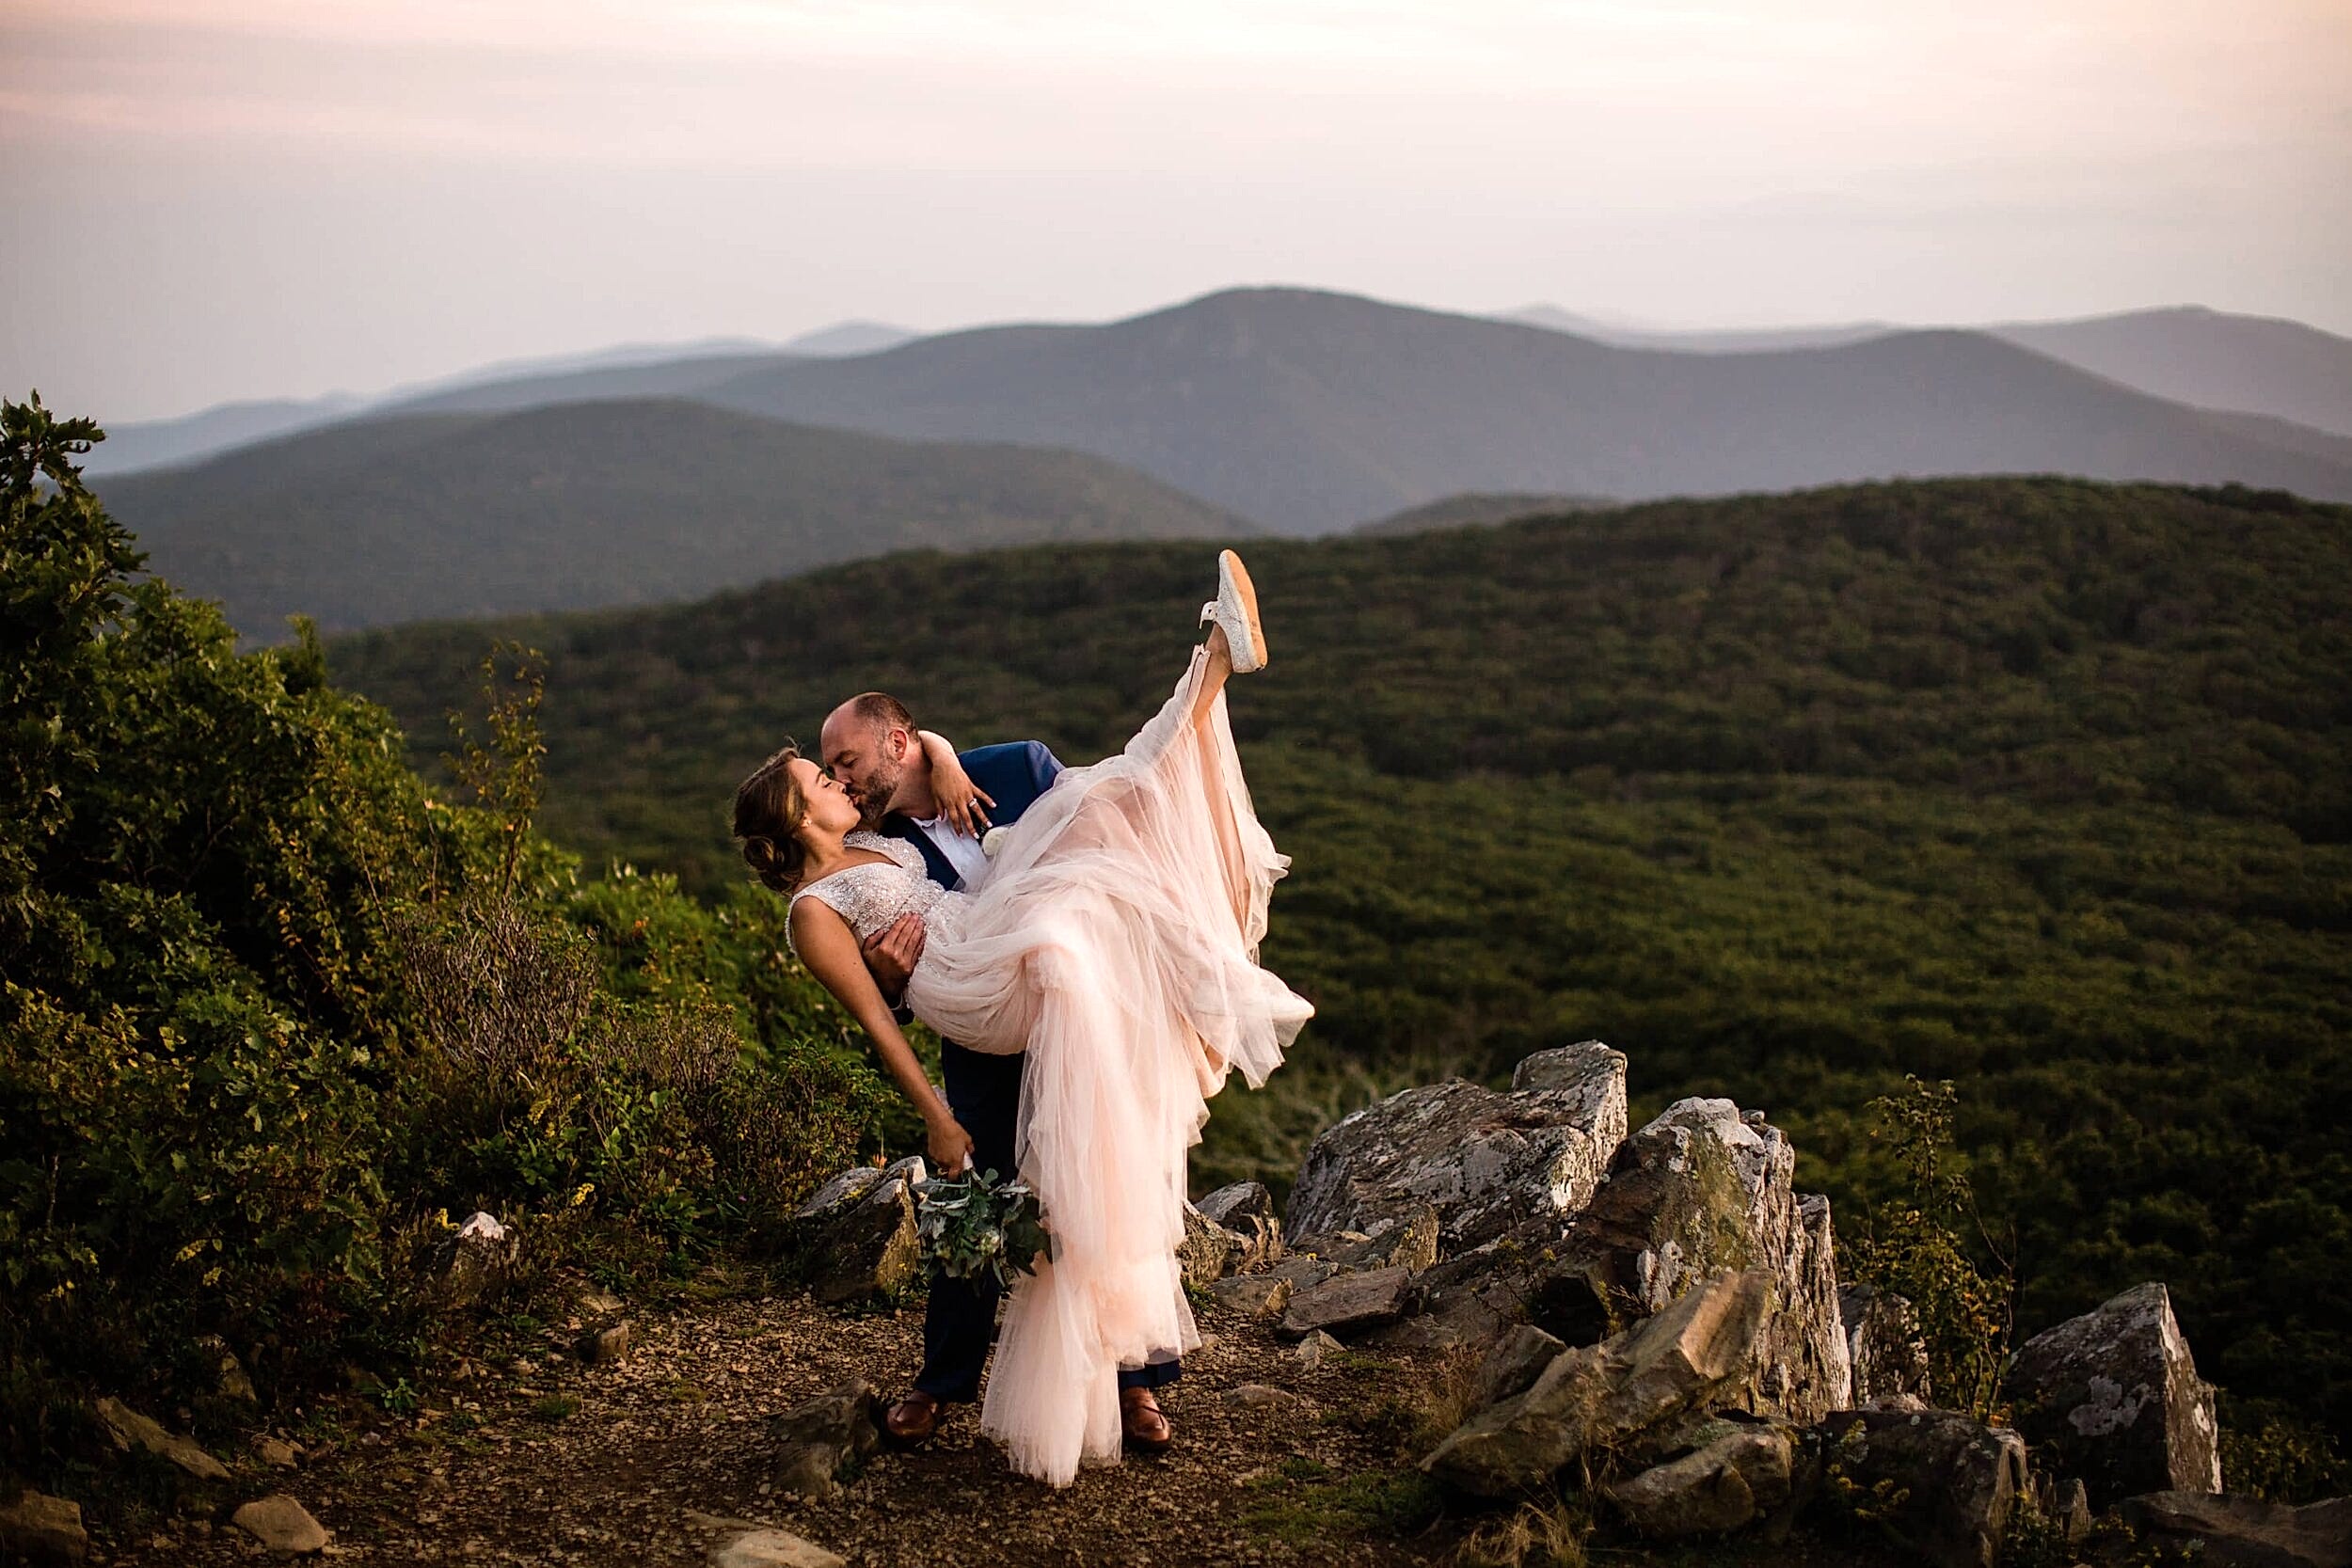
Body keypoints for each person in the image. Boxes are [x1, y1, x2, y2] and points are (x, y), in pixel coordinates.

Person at [732, 551, 1311, 1487]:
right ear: (803, 810)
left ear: (901, 744)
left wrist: (949, 758)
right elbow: (869, 989)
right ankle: (943, 1379)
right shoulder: (869, 845)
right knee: (983, 1198)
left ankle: (1136, 1380)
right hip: (985, 1013)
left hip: (1038, 982)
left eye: (847, 760)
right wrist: (902, 1012)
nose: (842, 778)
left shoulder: (1004, 771)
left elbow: (956, 771)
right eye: (824, 772)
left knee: (1108, 1171)